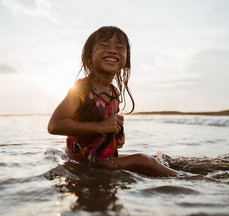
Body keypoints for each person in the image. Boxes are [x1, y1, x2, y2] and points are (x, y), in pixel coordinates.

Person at [48, 26, 178, 177]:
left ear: (126, 59)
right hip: (87, 161)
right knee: (144, 160)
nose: (113, 50)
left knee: (162, 158)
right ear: (89, 56)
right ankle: (187, 179)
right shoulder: (82, 89)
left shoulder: (114, 92)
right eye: (104, 45)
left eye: (120, 48)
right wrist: (100, 127)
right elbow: (54, 125)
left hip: (103, 158)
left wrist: (116, 135)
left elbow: (106, 127)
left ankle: (198, 168)